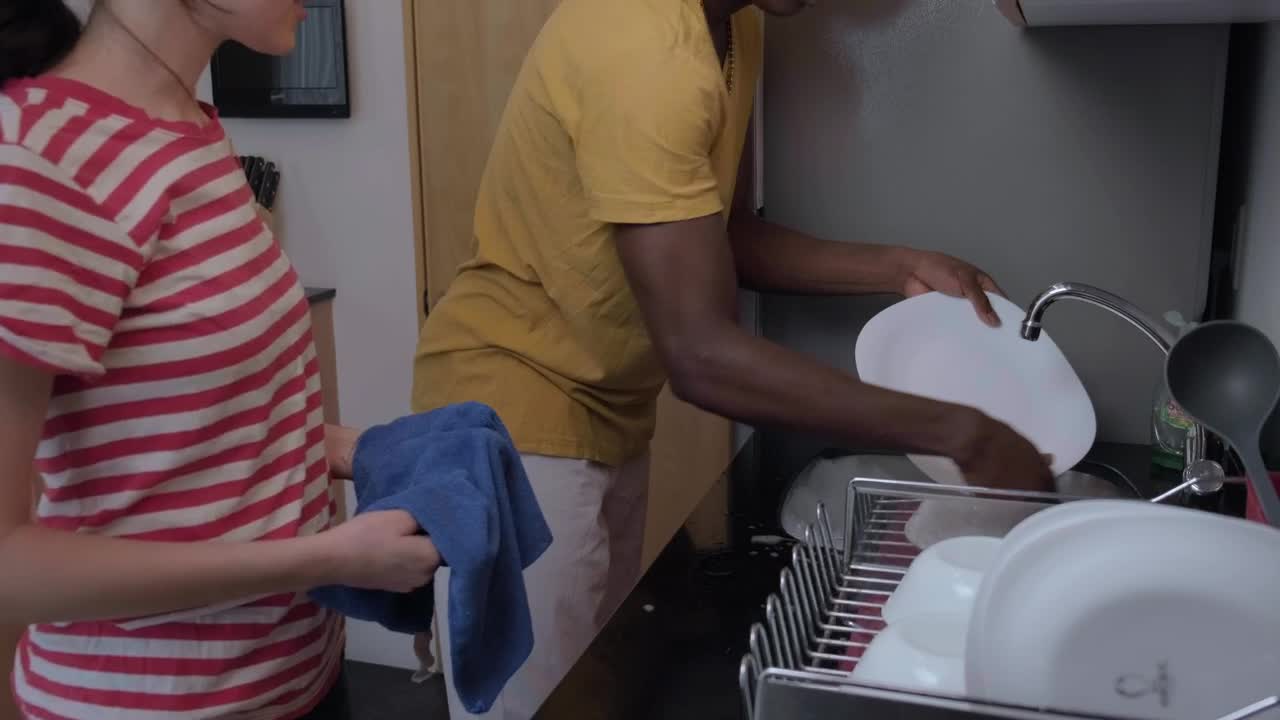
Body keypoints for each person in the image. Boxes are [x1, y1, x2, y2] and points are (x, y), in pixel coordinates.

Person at [411, 0, 1056, 717]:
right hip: (510, 420)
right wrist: (965, 434)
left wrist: (900, 266)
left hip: (606, 410)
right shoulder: (644, 49)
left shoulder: (735, 24)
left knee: (592, 693)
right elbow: (701, 355)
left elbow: (719, 233)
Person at [0, 1, 441, 718]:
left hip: (297, 679)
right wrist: (327, 559)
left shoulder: (189, 125)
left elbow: (185, 429)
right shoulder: (38, 159)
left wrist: (358, 450)